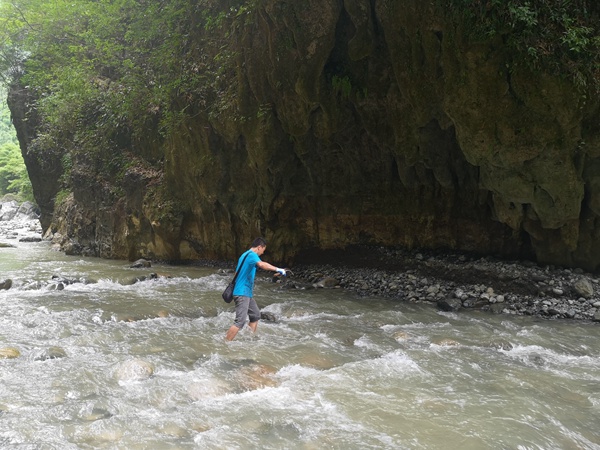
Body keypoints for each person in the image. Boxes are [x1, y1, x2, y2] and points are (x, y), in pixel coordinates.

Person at [225, 237, 286, 341]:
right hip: (242, 292)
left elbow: (237, 273)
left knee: (255, 315)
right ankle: (225, 343)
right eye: (263, 250)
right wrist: (278, 269)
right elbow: (262, 264)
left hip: (245, 292)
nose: (262, 253)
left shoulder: (244, 255)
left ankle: (248, 340)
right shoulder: (252, 255)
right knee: (240, 321)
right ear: (259, 247)